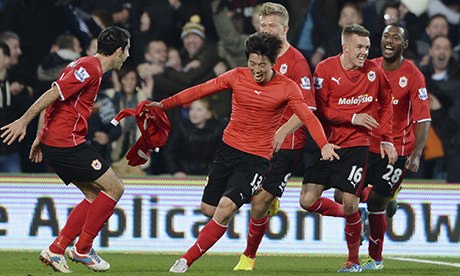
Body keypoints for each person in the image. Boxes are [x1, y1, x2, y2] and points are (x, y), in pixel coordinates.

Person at [149, 31, 339, 273]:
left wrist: (323, 144)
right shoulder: (237, 76)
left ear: (273, 63)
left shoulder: (287, 87)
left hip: (257, 158)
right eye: (252, 63)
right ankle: (256, 192)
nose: (256, 69)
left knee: (226, 207)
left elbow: (307, 116)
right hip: (228, 151)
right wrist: (164, 105)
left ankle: (186, 259)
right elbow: (199, 91)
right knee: (209, 209)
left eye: (262, 64)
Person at [0, 26, 130, 273]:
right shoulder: (90, 68)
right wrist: (24, 121)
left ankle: (57, 249)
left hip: (58, 141)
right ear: (119, 50)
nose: (127, 57)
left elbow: (58, 99)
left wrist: (41, 134)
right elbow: (53, 93)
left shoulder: (84, 64)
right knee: (115, 188)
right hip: (67, 142)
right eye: (127, 51)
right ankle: (82, 249)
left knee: (94, 195)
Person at [276, 24, 396, 272]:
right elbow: (320, 110)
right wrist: (353, 117)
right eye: (360, 47)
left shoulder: (375, 71)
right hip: (329, 145)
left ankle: (353, 260)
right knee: (307, 201)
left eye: (367, 47)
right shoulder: (325, 69)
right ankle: (358, 212)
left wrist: (385, 137)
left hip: (357, 146)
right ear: (346, 47)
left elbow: (387, 102)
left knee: (349, 200)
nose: (365, 52)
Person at [335, 23, 431, 270]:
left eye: (396, 38)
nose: (389, 40)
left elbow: (423, 119)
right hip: (365, 145)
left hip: (396, 150)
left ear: (405, 45)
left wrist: (416, 154)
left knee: (376, 203)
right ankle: (384, 200)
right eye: (386, 36)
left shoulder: (413, 75)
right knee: (340, 195)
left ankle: (375, 259)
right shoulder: (370, 67)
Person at [233, 2, 316, 271]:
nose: (267, 30)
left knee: (259, 202)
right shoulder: (260, 57)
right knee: (240, 193)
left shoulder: (297, 62)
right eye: (263, 25)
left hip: (287, 144)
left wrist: (281, 130)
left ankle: (248, 257)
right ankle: (271, 197)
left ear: (286, 28)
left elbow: (309, 108)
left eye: (272, 26)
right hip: (257, 139)